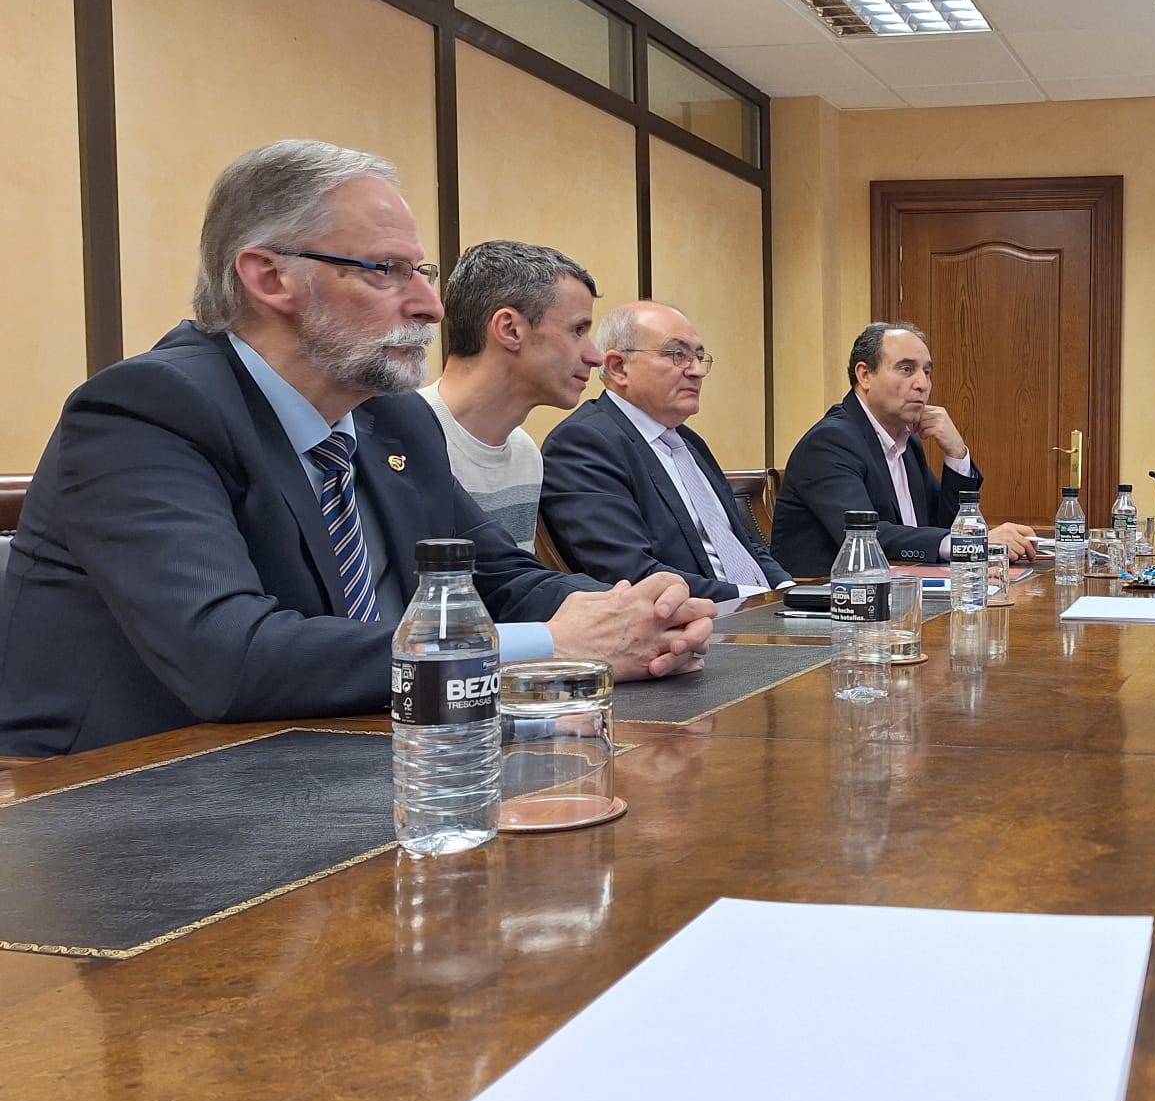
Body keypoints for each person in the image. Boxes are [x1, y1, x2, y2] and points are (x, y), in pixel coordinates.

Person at [0, 140, 715, 758]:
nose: (430, 307)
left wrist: (638, 615)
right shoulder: (145, 411)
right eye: (385, 271)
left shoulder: (391, 420)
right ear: (269, 276)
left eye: (422, 274)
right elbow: (231, 657)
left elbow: (500, 579)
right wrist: (551, 644)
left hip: (349, 763)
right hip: (124, 803)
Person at [539, 300, 793, 601]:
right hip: (690, 628)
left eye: (699, 356)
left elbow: (742, 543)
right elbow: (631, 572)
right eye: (678, 355)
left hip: (757, 614)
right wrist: (754, 600)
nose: (697, 371)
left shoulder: (688, 441)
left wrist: (788, 591)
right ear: (619, 367)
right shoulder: (583, 443)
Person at [771, 322, 1037, 578]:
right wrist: (970, 543)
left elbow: (941, 527)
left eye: (927, 372)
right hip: (829, 604)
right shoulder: (830, 442)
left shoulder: (907, 443)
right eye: (907, 369)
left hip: (903, 593)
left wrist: (956, 453)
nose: (922, 384)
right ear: (865, 375)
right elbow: (866, 536)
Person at [421, 240, 600, 552]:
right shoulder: (401, 443)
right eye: (578, 330)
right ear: (510, 329)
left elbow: (514, 589)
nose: (595, 356)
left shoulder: (525, 453)